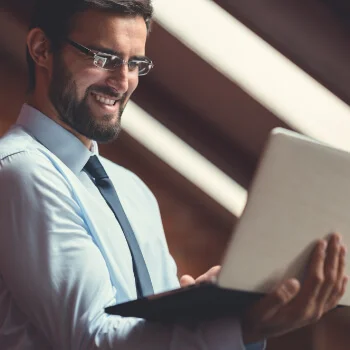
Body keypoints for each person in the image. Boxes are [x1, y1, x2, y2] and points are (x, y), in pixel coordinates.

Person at [0, 0, 347, 349]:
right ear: (41, 48)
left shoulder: (133, 191)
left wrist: (204, 308)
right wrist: (244, 327)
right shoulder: (22, 172)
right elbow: (93, 339)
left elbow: (146, 331)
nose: (122, 82)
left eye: (135, 63)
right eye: (104, 58)